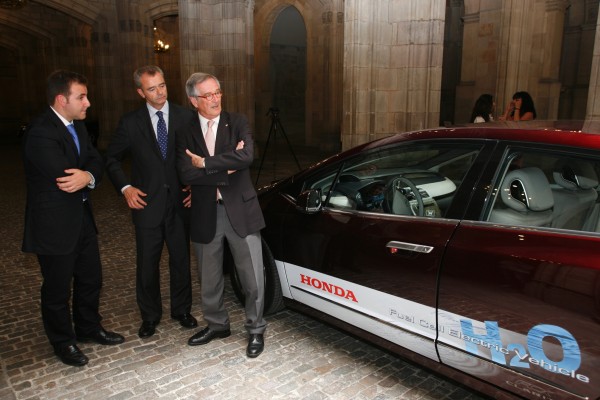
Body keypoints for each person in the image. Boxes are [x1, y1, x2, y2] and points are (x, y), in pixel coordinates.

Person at [22, 70, 124, 367]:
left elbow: (95, 159)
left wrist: (89, 174)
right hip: (53, 225)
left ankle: (89, 328)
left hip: (81, 219)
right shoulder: (40, 132)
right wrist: (84, 172)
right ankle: (63, 342)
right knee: (57, 288)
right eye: (81, 97)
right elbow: (64, 175)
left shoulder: (76, 126)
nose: (88, 103)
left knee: (91, 278)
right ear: (60, 99)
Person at [176, 72, 267, 358]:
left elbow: (247, 157)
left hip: (241, 209)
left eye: (218, 92)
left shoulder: (237, 121)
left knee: (251, 276)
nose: (215, 99)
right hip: (205, 211)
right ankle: (217, 325)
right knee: (209, 276)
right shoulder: (185, 130)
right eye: (208, 95)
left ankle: (255, 329)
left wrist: (205, 163)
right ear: (193, 100)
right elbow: (185, 172)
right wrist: (224, 166)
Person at [105, 65, 197, 339]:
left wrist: (195, 184)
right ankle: (150, 316)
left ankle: (181, 310)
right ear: (140, 92)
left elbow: (197, 154)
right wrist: (126, 187)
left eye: (162, 85)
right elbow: (111, 159)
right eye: (152, 88)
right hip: (146, 204)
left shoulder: (185, 116)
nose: (159, 92)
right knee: (147, 263)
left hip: (180, 202)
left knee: (181, 260)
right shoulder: (130, 123)